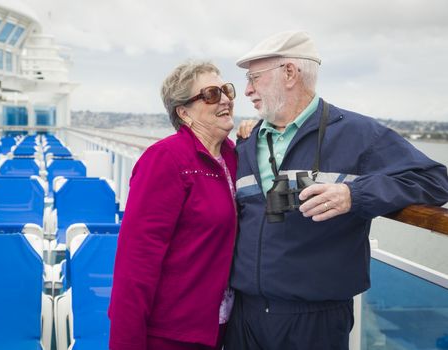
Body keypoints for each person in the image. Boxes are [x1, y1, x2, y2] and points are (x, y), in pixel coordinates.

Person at [224, 30, 448, 350]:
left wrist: (354, 196)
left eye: (255, 77)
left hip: (315, 324)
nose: (246, 90)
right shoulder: (249, 142)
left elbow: (434, 179)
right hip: (245, 318)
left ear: (289, 73)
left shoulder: (358, 135)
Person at [109, 61, 238, 350]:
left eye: (227, 90)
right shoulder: (165, 160)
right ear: (184, 112)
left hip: (223, 328)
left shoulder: (233, 157)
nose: (227, 99)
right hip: (173, 335)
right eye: (212, 94)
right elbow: (136, 263)